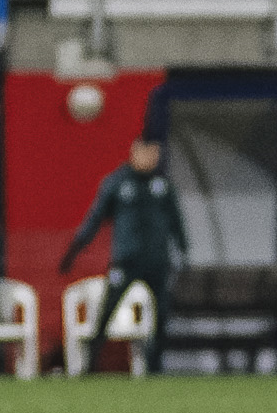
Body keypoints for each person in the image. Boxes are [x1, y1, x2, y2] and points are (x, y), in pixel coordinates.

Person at [59, 130, 184, 367]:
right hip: (126, 261)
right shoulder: (117, 182)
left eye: (156, 153)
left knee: (162, 313)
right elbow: (95, 218)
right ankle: (90, 363)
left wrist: (183, 251)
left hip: (157, 261)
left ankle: (154, 366)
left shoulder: (163, 185)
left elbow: (176, 222)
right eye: (148, 152)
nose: (152, 158)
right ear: (135, 151)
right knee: (108, 310)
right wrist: (74, 250)